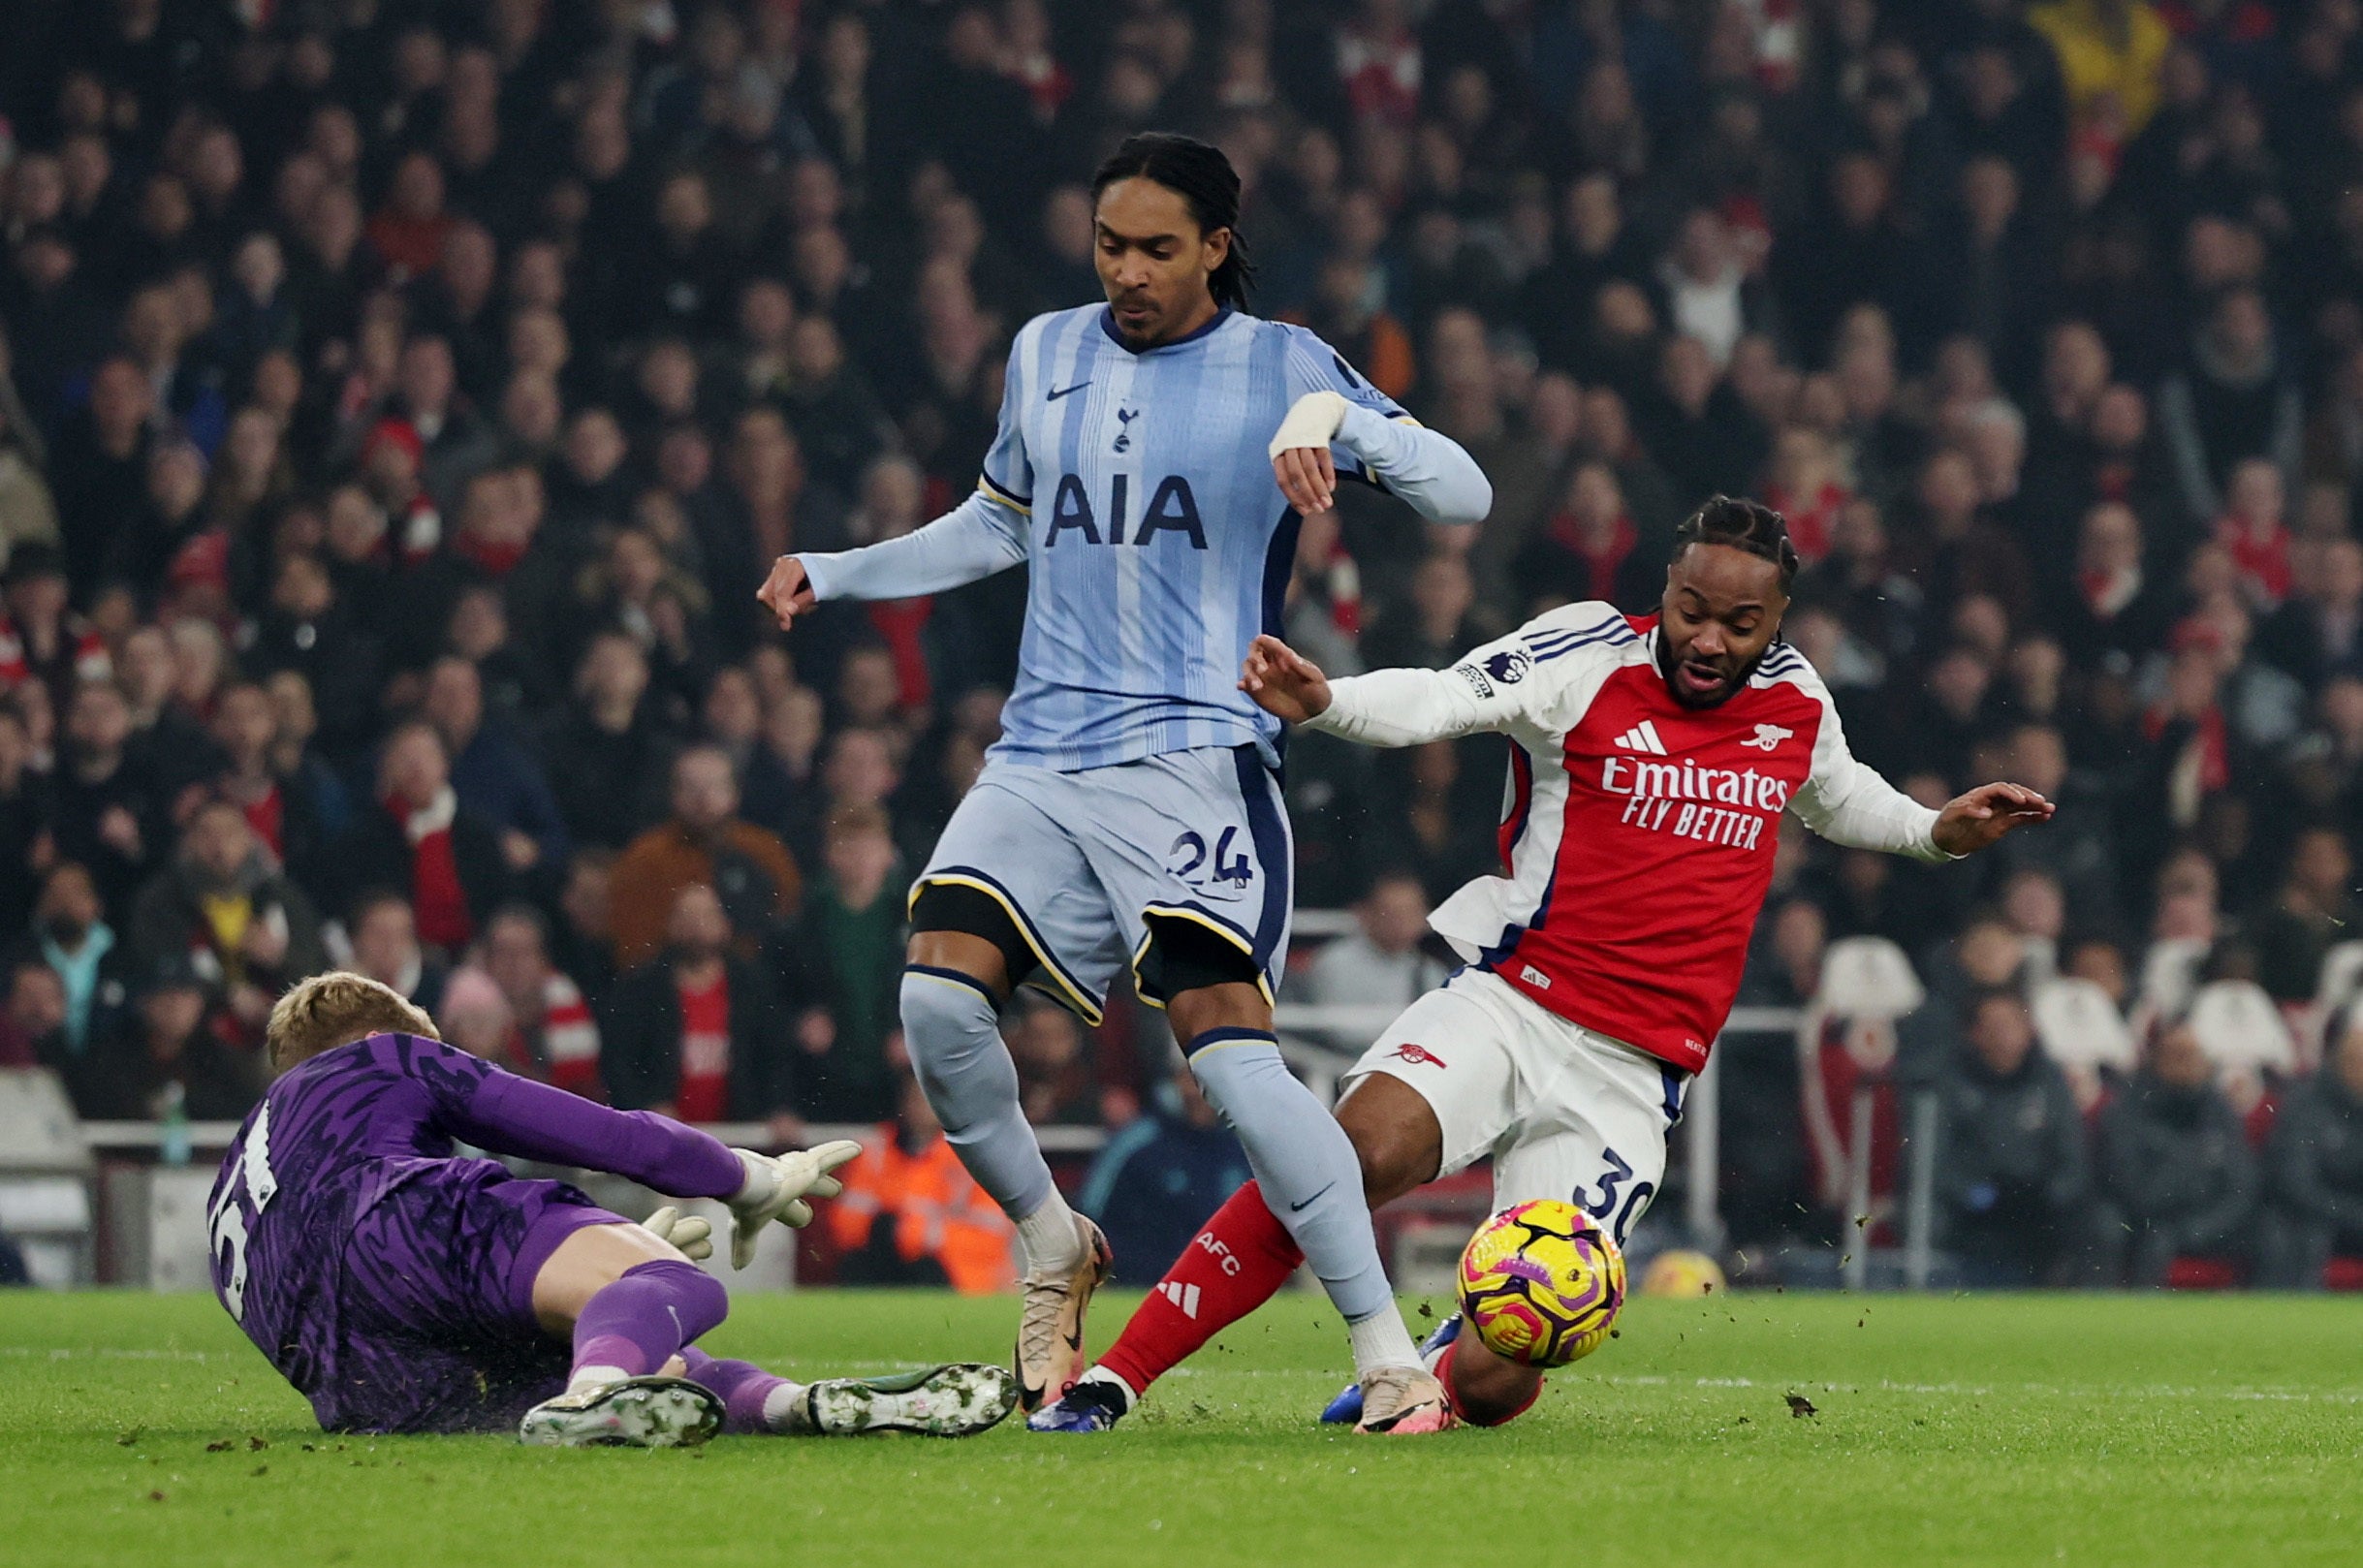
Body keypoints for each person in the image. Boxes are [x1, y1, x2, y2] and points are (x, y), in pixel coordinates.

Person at [1033, 497, 2052, 1434]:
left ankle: (1436, 1358)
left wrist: (1931, 831)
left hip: (1634, 1076)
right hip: (1512, 1004)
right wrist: (1330, 700)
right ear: (1664, 589)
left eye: (1737, 625)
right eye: (1689, 608)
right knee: (1342, 1159)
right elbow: (1440, 699)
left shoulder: (1794, 701)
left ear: (1774, 622)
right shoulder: (1585, 653)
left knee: (1502, 1369)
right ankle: (1114, 1378)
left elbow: (1836, 797)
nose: (1706, 638)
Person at [758, 132, 1492, 1429]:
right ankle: (1052, 1238)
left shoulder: (1280, 364)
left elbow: (1462, 490)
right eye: (1110, 244)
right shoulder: (1044, 348)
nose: (1128, 272)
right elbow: (999, 521)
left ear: (1216, 245)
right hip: (1040, 756)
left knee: (1236, 1067)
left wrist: (1334, 414)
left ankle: (1384, 1352)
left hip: (1194, 760)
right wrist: (842, 564)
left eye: (1158, 247)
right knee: (935, 1005)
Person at [205, 970, 1014, 1442]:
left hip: (360, 1386)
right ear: (392, 1031)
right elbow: (609, 1138)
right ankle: (588, 1398)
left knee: (652, 1362)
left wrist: (592, 1275)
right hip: (393, 1225)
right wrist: (747, 1178)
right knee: (678, 1286)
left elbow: (338, 1279)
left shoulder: (229, 1188)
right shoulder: (382, 1057)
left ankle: (792, 1405)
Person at [601, 883, 794, 1131]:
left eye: (705, 915)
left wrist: (779, 1108)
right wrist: (646, 1109)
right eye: (686, 916)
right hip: (665, 1138)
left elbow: (776, 1056)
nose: (696, 926)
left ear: (725, 925)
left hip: (741, 1134)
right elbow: (620, 1062)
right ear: (670, 924)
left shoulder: (753, 987)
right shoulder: (640, 989)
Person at [1937, 989, 2094, 1286]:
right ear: (1974, 1033)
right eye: (1993, 1027)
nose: (2003, 1035)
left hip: (2039, 1205)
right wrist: (1976, 1195)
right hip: (1973, 1207)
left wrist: (2045, 1196)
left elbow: (2072, 1156)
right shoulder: (1952, 1083)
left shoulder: (2050, 1081)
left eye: (2011, 1025)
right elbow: (1938, 1158)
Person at [2093, 1023, 2257, 1286]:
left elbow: (2241, 1188)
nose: (2185, 1062)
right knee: (2129, 1232)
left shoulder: (2221, 1113)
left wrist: (2199, 1228)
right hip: (2144, 1223)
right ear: (2155, 1059)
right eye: (2175, 1054)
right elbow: (2125, 1183)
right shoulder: (2127, 1110)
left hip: (2207, 1224)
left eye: (2191, 1054)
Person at [608, 744, 801, 968]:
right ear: (673, 795)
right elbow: (634, 950)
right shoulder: (646, 858)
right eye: (691, 788)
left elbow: (789, 919)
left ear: (734, 793)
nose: (703, 799)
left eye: (715, 786)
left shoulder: (765, 850)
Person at [1078, 1059, 1251, 1287]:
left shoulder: (1241, 1149)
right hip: (1135, 1285)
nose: (1200, 1092)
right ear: (1175, 1084)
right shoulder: (1136, 1141)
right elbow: (1089, 1210)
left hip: (1218, 1287)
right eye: (1192, 1081)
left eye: (1211, 1082)